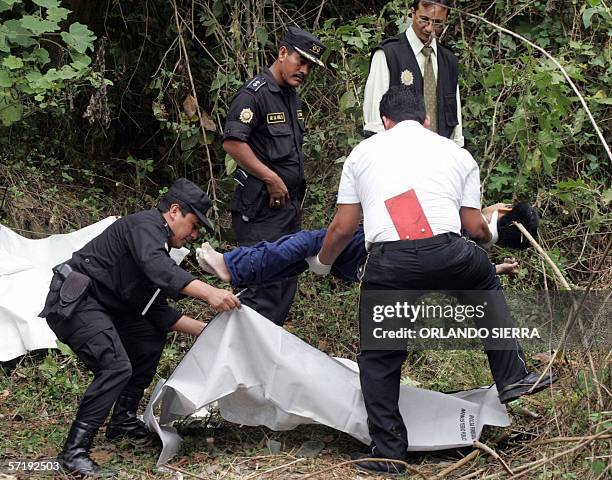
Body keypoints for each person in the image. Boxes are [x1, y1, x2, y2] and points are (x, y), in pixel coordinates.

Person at [309, 85, 556, 475]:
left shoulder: (363, 153)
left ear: (384, 123)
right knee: (483, 284)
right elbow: (474, 228)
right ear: (426, 120)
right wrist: (495, 232)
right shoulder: (455, 153)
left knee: (379, 357)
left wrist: (323, 263)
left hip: (390, 263)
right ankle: (512, 377)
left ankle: (389, 453)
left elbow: (343, 227)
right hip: (450, 252)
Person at [38, 178, 241, 477]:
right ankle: (74, 453)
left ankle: (122, 420)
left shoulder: (157, 245)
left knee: (148, 338)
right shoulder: (145, 227)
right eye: (195, 225)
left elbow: (157, 312)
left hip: (105, 308)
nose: (194, 235)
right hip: (77, 302)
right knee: (116, 366)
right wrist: (210, 292)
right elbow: (161, 270)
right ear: (174, 211)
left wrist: (210, 330)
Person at [223, 27, 326, 326]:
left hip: (287, 211)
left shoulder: (290, 96)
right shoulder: (254, 94)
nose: (304, 70)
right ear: (282, 53)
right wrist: (270, 177)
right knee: (259, 289)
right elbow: (233, 142)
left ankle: (263, 361)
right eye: (300, 60)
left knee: (283, 287)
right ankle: (239, 362)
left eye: (310, 66)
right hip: (259, 211)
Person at [195, 204, 536, 287]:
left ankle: (232, 265)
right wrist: (495, 268)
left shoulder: (470, 224)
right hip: (381, 267)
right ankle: (238, 271)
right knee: (300, 258)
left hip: (378, 250)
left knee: (307, 242)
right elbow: (451, 272)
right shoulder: (476, 253)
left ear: (504, 211)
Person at [363, 0, 464, 146]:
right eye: (424, 19)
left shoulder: (449, 60)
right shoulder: (388, 54)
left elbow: (456, 122)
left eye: (437, 23)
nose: (429, 28)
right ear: (413, 12)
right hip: (398, 154)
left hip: (440, 158)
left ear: (446, 20)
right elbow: (374, 123)